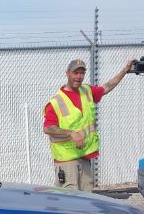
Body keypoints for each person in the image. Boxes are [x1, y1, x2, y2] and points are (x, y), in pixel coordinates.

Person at [43, 58, 134, 191]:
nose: (79, 77)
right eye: (75, 73)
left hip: (84, 156)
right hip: (66, 160)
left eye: (82, 73)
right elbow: (48, 128)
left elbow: (107, 87)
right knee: (69, 199)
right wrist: (70, 133)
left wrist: (125, 71)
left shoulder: (87, 91)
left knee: (87, 197)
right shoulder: (56, 102)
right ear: (67, 73)